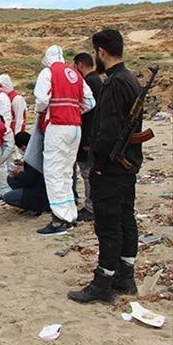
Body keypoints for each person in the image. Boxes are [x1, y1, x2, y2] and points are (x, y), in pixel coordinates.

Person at [68, 30, 143, 304]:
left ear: (101, 52)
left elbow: (108, 131)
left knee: (109, 225)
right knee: (125, 219)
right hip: (127, 165)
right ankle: (125, 276)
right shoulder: (130, 79)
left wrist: (97, 164)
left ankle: (103, 282)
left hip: (111, 167)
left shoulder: (114, 83)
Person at [34, 45, 96, 236]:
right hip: (75, 127)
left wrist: (43, 111)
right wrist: (74, 110)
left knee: (54, 172)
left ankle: (59, 219)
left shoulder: (48, 72)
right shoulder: (75, 74)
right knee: (67, 172)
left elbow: (41, 99)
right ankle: (70, 214)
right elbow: (90, 102)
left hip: (57, 125)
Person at [72, 52, 103, 222]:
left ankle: (91, 207)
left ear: (80, 65)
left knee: (87, 173)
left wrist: (87, 139)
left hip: (88, 136)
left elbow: (90, 114)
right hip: (93, 134)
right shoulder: (97, 80)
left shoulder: (89, 83)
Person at [2, 132, 51, 215]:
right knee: (11, 179)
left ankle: (35, 206)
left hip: (39, 191)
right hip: (43, 185)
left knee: (7, 197)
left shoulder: (30, 158)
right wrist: (23, 164)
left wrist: (18, 173)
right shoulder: (38, 150)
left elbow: (29, 180)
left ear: (24, 147)